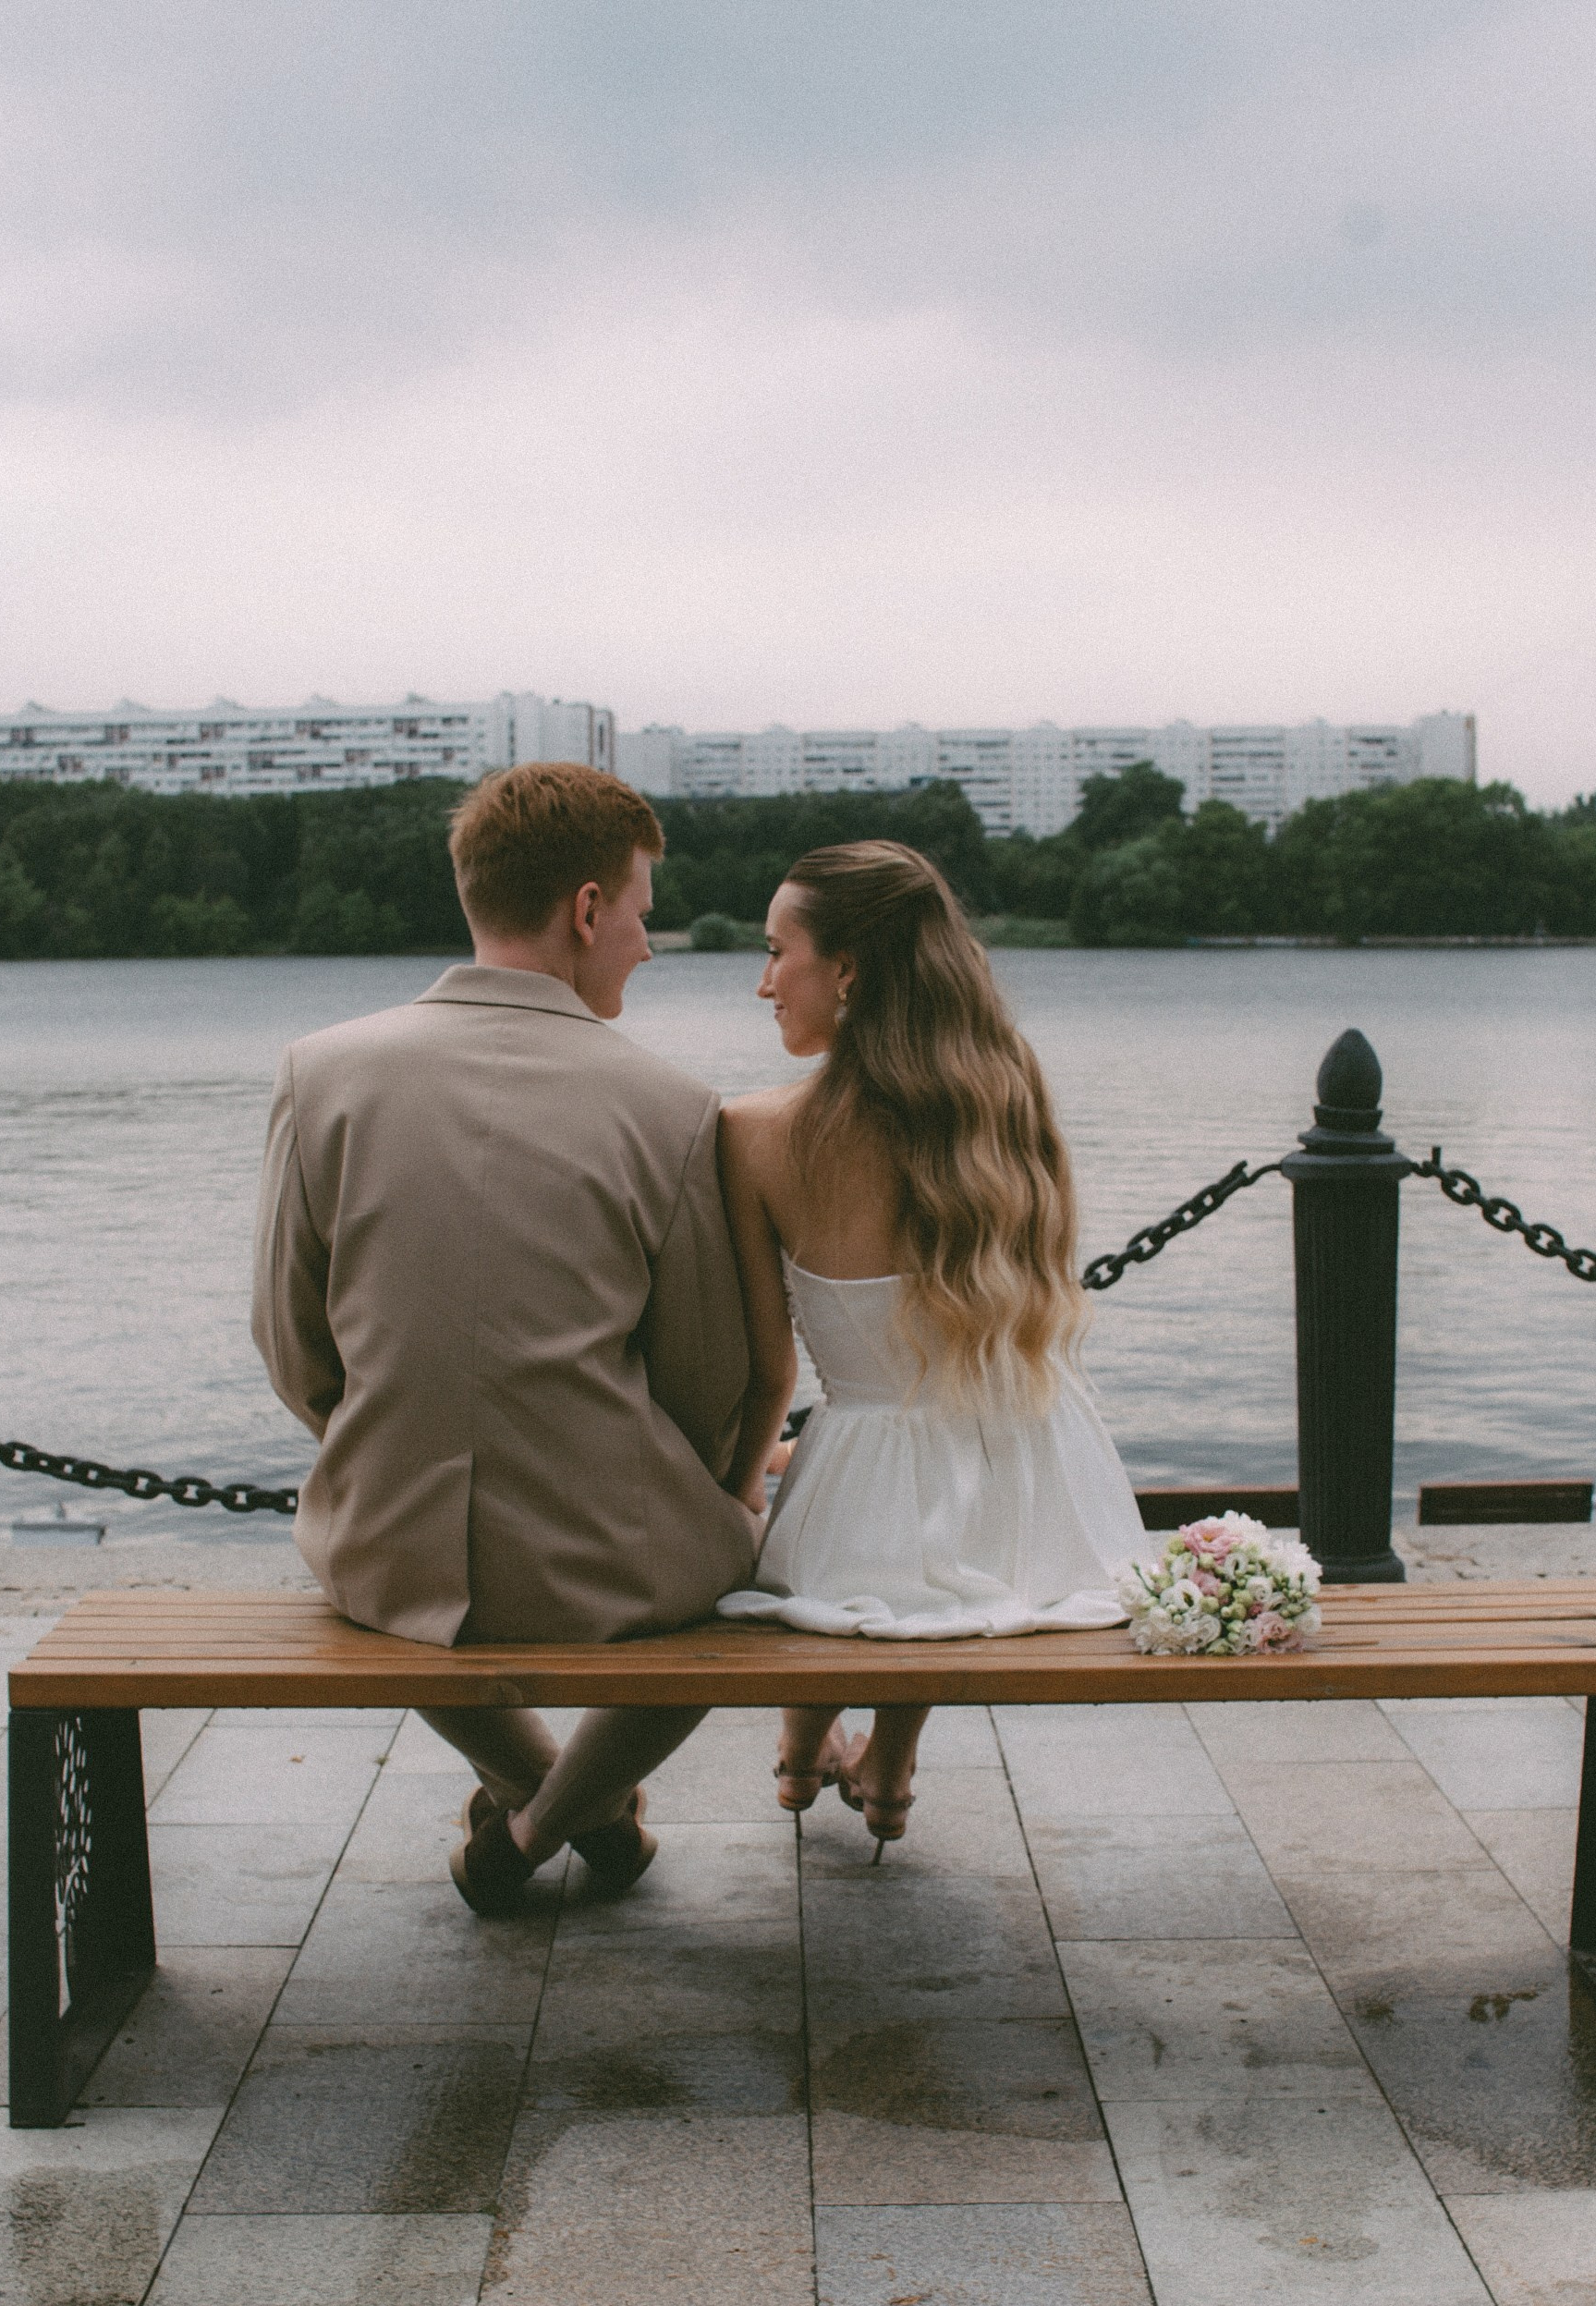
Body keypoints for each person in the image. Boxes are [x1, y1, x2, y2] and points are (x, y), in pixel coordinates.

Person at [252, 762, 759, 1914]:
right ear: (586, 908)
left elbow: (289, 1336)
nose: (645, 939)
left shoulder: (320, 1074)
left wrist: (375, 1434)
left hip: (388, 1547)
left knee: (379, 1586)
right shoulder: (671, 1105)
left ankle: (533, 1805)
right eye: (638, 908)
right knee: (742, 1565)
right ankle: (550, 1816)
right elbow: (706, 1380)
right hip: (614, 1558)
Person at [715, 840, 1147, 1852]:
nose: (762, 980)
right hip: (1029, 1462)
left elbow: (767, 1369)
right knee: (939, 1550)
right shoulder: (1000, 1099)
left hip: (857, 1467)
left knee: (851, 1540)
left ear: (849, 969)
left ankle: (797, 1750)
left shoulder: (753, 1130)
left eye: (779, 951)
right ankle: (892, 1766)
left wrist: (741, 1486)